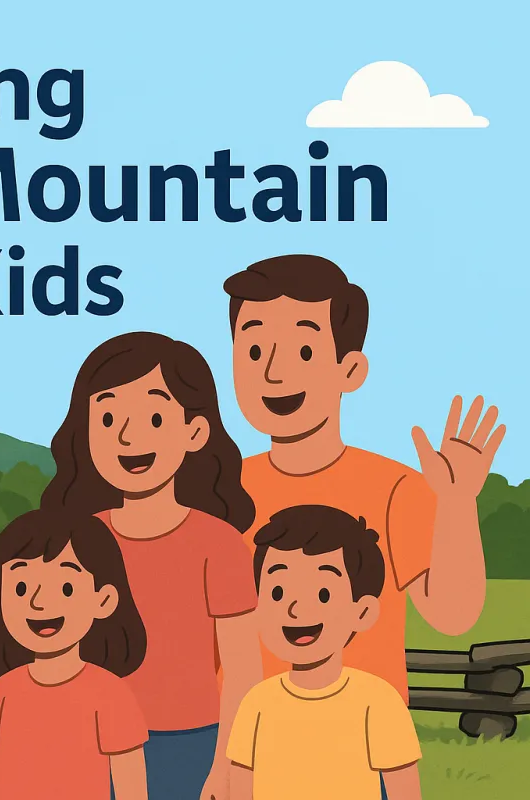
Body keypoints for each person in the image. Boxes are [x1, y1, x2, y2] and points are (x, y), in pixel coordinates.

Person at [223, 254, 506, 701]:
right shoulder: (219, 491)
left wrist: (457, 501)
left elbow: (453, 616)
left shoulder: (395, 490)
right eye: (254, 350)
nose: (274, 373)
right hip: (248, 743)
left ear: (350, 369)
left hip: (362, 744)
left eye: (303, 351)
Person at [41, 332, 261, 800]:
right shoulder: (77, 543)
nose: (127, 435)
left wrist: (227, 765)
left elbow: (243, 671)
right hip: (92, 739)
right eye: (107, 417)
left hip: (192, 742)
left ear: (195, 432)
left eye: (154, 417)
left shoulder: (219, 544)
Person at [227, 504, 422, 800]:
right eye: (278, 592)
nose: (296, 609)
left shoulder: (378, 702)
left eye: (323, 594)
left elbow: (404, 792)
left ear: (363, 611)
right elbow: (241, 788)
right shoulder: (256, 704)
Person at [0, 509, 150, 800]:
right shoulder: (2, 694)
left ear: (103, 600)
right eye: (21, 587)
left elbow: (132, 790)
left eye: (65, 588)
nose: (38, 602)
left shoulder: (111, 695)